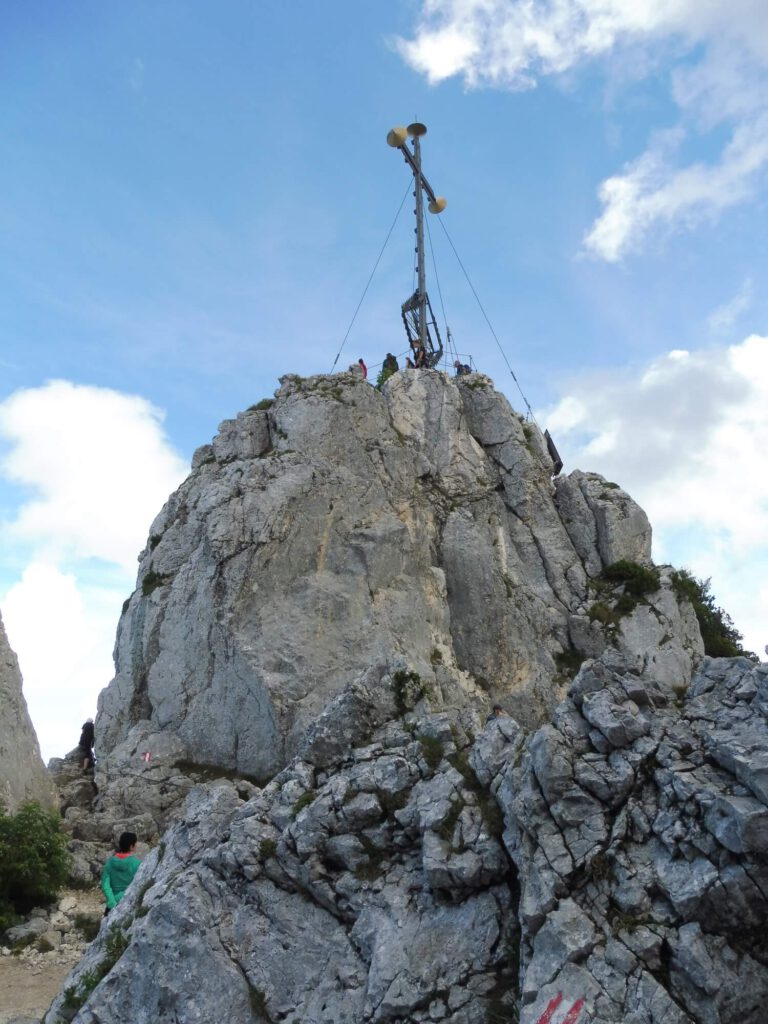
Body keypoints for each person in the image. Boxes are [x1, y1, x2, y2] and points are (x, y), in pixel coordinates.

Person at [101, 832, 141, 915]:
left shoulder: (110, 863)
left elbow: (105, 884)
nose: (137, 845)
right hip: (127, 903)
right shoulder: (137, 864)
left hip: (111, 906)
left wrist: (112, 901)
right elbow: (137, 886)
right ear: (131, 846)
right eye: (136, 843)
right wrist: (121, 897)